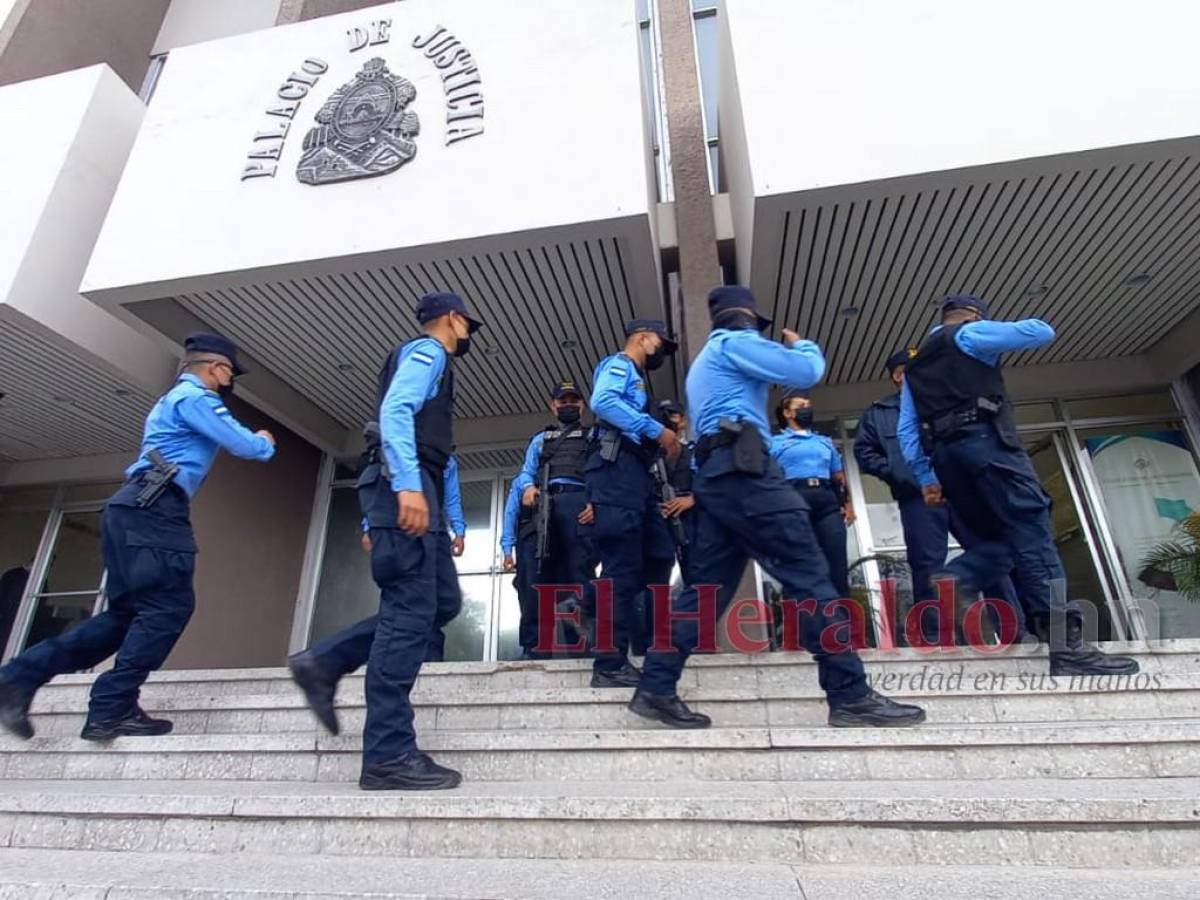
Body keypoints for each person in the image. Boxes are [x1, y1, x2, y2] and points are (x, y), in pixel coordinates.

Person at [632, 286, 925, 729]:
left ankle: (656, 685)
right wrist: (799, 343)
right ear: (746, 320)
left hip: (716, 474)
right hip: (747, 471)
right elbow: (807, 370)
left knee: (705, 593)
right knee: (811, 576)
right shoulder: (735, 343)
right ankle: (849, 695)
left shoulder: (703, 365)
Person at [0, 334, 276, 741]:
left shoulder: (172, 400)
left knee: (124, 616)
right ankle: (111, 707)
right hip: (156, 508)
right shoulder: (196, 398)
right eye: (228, 373)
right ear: (218, 367)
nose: (227, 380)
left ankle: (19, 678)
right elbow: (246, 446)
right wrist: (265, 441)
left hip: (135, 507)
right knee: (168, 608)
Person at [288, 291, 483, 791]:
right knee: (410, 611)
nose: (466, 333)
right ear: (452, 319)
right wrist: (408, 485)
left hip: (423, 488)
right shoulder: (429, 351)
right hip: (410, 484)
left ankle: (325, 660)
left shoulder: (431, 356)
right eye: (465, 324)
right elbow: (397, 409)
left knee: (440, 602)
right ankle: (388, 756)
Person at [899, 294, 1137, 675]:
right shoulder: (969, 334)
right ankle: (1067, 646)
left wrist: (927, 477)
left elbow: (907, 429)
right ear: (974, 316)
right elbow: (1040, 331)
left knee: (1007, 542)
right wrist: (982, 329)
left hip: (948, 461)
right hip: (989, 449)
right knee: (1035, 539)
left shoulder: (915, 365)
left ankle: (963, 575)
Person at [856, 349, 1024, 645]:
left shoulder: (947, 400)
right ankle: (935, 638)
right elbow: (865, 453)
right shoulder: (879, 413)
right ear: (898, 376)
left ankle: (1013, 630)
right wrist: (899, 474)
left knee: (987, 555)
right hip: (919, 496)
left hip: (963, 490)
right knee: (927, 565)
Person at [585, 320, 681, 688]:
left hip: (637, 477)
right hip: (616, 472)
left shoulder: (639, 377)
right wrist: (655, 429)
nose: (662, 351)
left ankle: (600, 602)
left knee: (659, 553)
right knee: (621, 566)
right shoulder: (620, 365)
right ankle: (608, 663)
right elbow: (603, 401)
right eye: (661, 342)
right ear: (643, 338)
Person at [511, 380, 596, 657]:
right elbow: (526, 472)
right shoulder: (541, 439)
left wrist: (596, 503)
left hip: (579, 505)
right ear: (553, 405)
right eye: (563, 401)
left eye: (574, 400)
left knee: (578, 575)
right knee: (538, 577)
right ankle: (535, 647)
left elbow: (602, 475)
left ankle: (581, 646)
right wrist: (528, 487)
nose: (568, 405)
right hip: (546, 504)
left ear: (582, 404)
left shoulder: (593, 436)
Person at [771, 390, 855, 599]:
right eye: (801, 406)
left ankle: (840, 626)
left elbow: (839, 476)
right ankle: (803, 626)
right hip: (794, 502)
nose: (807, 409)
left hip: (826, 501)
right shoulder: (775, 443)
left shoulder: (824, 441)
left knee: (836, 565)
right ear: (788, 413)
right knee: (800, 566)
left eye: (808, 405)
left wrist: (848, 503)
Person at [633, 399, 697, 655]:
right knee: (656, 583)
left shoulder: (693, 451)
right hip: (657, 519)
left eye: (672, 415)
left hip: (690, 516)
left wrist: (691, 499)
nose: (668, 420)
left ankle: (695, 640)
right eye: (663, 416)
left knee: (695, 579)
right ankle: (655, 641)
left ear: (682, 419)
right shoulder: (647, 454)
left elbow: (709, 483)